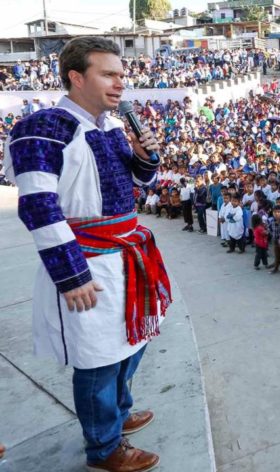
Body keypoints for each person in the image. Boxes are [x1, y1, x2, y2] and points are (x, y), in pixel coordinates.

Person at [4, 37, 170, 471]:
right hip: (87, 261)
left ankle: (117, 411)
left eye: (121, 74)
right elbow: (38, 205)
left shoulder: (114, 126)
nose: (120, 83)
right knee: (97, 358)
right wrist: (71, 274)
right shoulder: (41, 128)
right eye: (109, 74)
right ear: (77, 77)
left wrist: (145, 157)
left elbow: (138, 189)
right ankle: (103, 447)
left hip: (126, 255)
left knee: (132, 343)